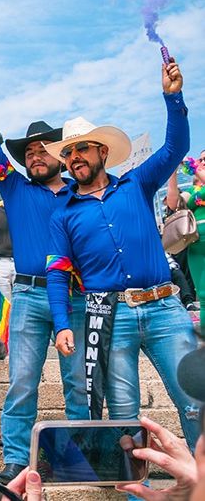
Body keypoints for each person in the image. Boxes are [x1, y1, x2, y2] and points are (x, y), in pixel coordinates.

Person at [47, 59, 200, 449]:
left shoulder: (137, 182)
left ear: (101, 151)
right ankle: (135, 490)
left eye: (82, 148)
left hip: (166, 308)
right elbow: (57, 273)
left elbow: (176, 147)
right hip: (110, 315)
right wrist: (63, 323)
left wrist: (173, 97)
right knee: (123, 413)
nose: (75, 157)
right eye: (68, 154)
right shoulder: (61, 212)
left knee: (195, 400)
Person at [0, 72, 88, 484]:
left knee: (79, 381)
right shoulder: (14, 188)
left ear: (60, 156)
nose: (35, 157)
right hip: (30, 295)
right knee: (21, 382)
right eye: (28, 152)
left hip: (77, 297)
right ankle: (17, 458)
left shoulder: (78, 193)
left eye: (42, 151)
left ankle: (78, 456)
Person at [165, 150, 205, 308]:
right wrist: (172, 173)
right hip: (197, 245)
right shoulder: (194, 190)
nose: (202, 162)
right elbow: (173, 203)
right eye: (200, 159)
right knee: (203, 294)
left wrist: (194, 167)